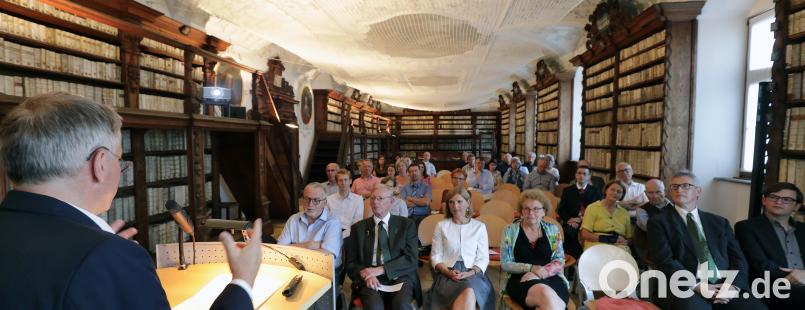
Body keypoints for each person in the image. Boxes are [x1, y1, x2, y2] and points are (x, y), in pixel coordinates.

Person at [0, 92, 261, 309]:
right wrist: (242, 281)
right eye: (119, 158)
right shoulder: (109, 258)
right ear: (100, 164)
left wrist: (101, 255)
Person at [648, 170, 767, 310]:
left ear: (698, 191)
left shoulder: (719, 222)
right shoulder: (658, 222)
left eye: (686, 185)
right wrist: (697, 285)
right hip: (683, 285)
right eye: (674, 187)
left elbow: (738, 259)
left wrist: (733, 286)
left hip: (723, 283)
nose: (679, 189)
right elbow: (664, 260)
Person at [345, 186, 422, 309]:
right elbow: (351, 264)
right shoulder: (358, 228)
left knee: (401, 305)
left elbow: (411, 259)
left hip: (400, 275)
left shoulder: (406, 225)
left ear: (391, 201)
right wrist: (366, 275)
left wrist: (382, 269)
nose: (375, 202)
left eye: (380, 198)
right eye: (373, 198)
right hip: (370, 277)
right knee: (374, 306)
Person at [735, 182, 805, 309]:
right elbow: (760, 264)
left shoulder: (803, 230)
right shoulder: (746, 227)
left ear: (796, 206)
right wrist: (796, 277)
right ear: (764, 200)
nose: (779, 202)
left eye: (787, 199)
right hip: (770, 285)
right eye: (773, 197)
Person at [501, 189, 569, 309]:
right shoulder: (510, 230)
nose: (531, 213)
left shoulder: (553, 230)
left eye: (536, 209)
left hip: (550, 277)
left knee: (547, 302)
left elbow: (560, 260)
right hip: (521, 279)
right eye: (526, 208)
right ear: (521, 211)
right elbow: (505, 264)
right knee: (546, 294)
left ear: (544, 211)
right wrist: (531, 268)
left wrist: (540, 273)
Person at [428, 188, 495, 310]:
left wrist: (470, 273)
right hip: (447, 272)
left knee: (469, 290)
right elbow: (435, 256)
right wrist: (447, 272)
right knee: (467, 294)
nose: (455, 206)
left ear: (468, 203)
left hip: (473, 272)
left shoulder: (479, 227)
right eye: (451, 202)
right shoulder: (441, 226)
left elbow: (483, 258)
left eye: (459, 201)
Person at [278, 183, 343, 267]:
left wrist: (292, 247)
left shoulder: (333, 222)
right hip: (294, 267)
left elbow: (326, 257)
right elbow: (280, 249)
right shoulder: (293, 219)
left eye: (316, 200)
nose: (310, 204)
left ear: (325, 203)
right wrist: (309, 245)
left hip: (324, 271)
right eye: (306, 199)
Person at [556, 166, 602, 258]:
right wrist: (570, 219)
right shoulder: (567, 190)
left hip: (589, 222)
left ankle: (584, 258)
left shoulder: (595, 191)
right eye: (579, 173)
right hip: (571, 221)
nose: (581, 176)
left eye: (584, 174)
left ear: (589, 176)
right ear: (575, 175)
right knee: (570, 232)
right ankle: (572, 259)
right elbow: (561, 209)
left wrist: (581, 219)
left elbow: (598, 210)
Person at [580, 180, 632, 252]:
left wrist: (626, 242)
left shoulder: (625, 213)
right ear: (606, 190)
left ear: (622, 196)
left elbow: (629, 238)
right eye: (612, 189)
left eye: (619, 192)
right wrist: (608, 239)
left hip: (619, 246)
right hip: (595, 244)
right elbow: (585, 234)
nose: (615, 193)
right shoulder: (592, 208)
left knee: (624, 260)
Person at [632, 179, 673, 267]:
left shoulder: (675, 208)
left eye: (658, 192)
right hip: (649, 248)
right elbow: (651, 229)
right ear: (645, 193)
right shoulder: (641, 210)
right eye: (650, 192)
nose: (654, 196)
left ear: (664, 191)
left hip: (673, 246)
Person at [327, 169, 364, 239]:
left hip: (351, 233)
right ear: (337, 182)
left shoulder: (358, 199)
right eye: (340, 180)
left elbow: (357, 222)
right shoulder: (329, 200)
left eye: (346, 180)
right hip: (332, 233)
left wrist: (342, 236)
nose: (343, 183)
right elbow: (327, 220)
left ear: (350, 181)